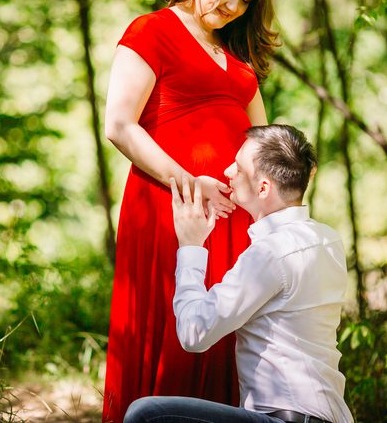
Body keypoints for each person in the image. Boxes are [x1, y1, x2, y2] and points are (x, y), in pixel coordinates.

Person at [103, 0, 280, 422]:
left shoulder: (236, 54)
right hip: (172, 207)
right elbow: (118, 124)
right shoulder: (151, 30)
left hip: (236, 219)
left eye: (245, 1)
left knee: (227, 338)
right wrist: (187, 181)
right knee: (176, 335)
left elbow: (262, 143)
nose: (231, 6)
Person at [124, 124, 353, 423]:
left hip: (284, 418)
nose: (228, 171)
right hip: (331, 416)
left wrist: (191, 246)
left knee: (145, 415)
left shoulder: (270, 253)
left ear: (263, 188)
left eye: (239, 167)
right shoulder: (329, 239)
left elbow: (194, 333)